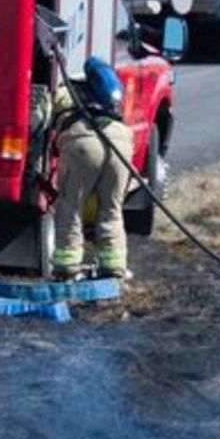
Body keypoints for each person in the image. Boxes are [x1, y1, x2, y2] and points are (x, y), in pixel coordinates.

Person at [41, 56, 135, 281]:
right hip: (121, 141)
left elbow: (42, 113)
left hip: (83, 141)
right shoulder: (111, 99)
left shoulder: (69, 91)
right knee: (111, 208)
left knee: (71, 206)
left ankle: (67, 267)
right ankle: (113, 266)